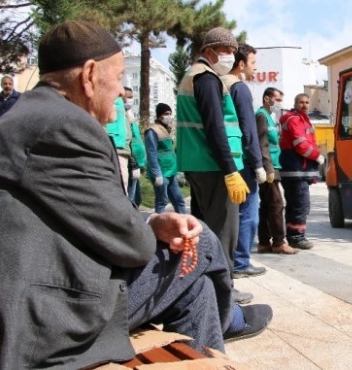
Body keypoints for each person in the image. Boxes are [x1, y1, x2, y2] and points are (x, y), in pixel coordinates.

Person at [0, 20, 272, 369]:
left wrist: (154, 220)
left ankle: (219, 328)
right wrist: (150, 229)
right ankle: (229, 316)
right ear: (89, 74)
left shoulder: (26, 115)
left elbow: (87, 215)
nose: (120, 91)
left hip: (40, 286)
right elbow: (134, 246)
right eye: (117, 79)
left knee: (198, 287)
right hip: (48, 318)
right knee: (201, 243)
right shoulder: (67, 126)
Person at [175, 27, 254, 303]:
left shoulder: (194, 76)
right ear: (208, 51)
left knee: (204, 230)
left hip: (199, 164)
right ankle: (223, 293)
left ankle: (204, 289)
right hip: (215, 167)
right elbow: (215, 128)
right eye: (225, 51)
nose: (230, 57)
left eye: (233, 51)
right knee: (223, 232)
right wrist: (231, 171)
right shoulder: (207, 78)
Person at [221, 43, 267, 278]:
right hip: (241, 162)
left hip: (223, 159)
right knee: (248, 213)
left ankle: (230, 262)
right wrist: (257, 163)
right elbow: (248, 129)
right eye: (253, 63)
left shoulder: (217, 83)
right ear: (241, 64)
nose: (255, 69)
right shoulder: (239, 87)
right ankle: (240, 262)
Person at [256, 87, 299, 255]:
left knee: (267, 205)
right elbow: (262, 144)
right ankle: (279, 242)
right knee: (276, 203)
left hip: (274, 165)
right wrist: (267, 168)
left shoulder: (270, 117)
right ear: (267, 99)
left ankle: (264, 242)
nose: (279, 103)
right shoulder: (261, 116)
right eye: (278, 99)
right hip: (269, 167)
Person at [279, 93, 323, 249]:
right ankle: (297, 237)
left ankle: (293, 236)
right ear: (295, 103)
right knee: (300, 205)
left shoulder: (301, 119)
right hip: (296, 169)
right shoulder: (295, 120)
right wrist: (318, 157)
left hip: (296, 169)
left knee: (294, 204)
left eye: (307, 102)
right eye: (301, 102)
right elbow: (301, 145)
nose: (304, 105)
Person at [146, 103, 187, 214]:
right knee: (161, 202)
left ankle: (185, 225)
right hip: (161, 172)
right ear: (159, 116)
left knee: (179, 200)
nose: (169, 116)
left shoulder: (165, 129)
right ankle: (159, 229)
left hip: (171, 171)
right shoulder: (152, 131)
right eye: (166, 114)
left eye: (170, 114)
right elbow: (151, 153)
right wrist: (156, 173)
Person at [105, 89, 131, 192]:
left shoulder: (124, 112)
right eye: (129, 97)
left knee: (123, 186)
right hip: (116, 149)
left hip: (122, 150)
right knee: (120, 186)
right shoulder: (114, 103)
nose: (130, 100)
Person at [125, 87, 146, 206]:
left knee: (137, 199)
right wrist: (133, 163)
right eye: (128, 97)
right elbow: (126, 141)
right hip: (130, 163)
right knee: (131, 199)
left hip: (136, 163)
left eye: (132, 97)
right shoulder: (122, 116)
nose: (131, 100)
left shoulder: (130, 116)